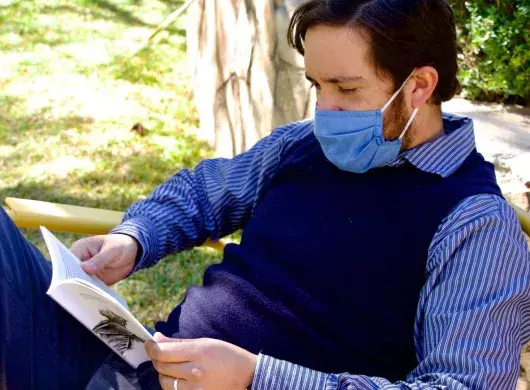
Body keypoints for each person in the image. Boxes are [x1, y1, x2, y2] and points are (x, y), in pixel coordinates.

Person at [2, 0, 530, 389]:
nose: (325, 110)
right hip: (128, 358)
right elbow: (202, 194)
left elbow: (460, 386)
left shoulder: (476, 227)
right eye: (315, 85)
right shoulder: (303, 144)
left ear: (419, 86)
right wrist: (133, 239)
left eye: (345, 89)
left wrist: (257, 378)